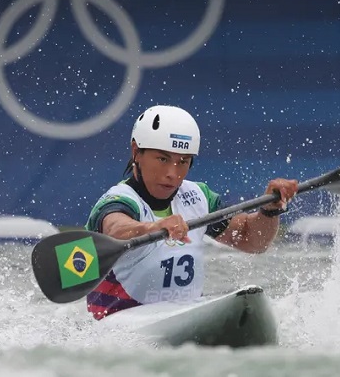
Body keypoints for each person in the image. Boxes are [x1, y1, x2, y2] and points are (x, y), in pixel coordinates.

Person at [84, 105, 298, 320]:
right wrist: (151, 227)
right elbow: (114, 228)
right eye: (163, 159)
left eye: (183, 161)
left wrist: (269, 210)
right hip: (120, 322)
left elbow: (252, 241)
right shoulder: (119, 200)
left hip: (185, 315)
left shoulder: (198, 197)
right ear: (136, 152)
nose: (172, 173)